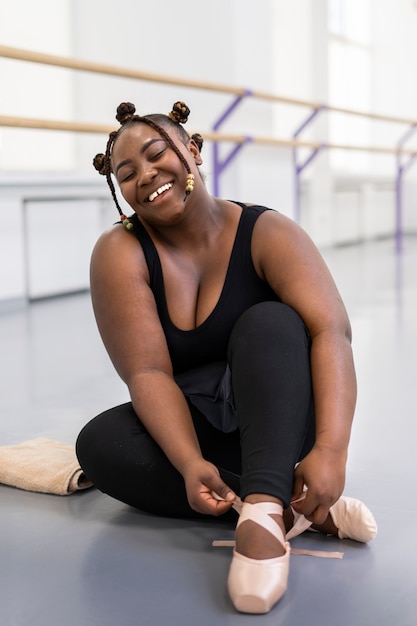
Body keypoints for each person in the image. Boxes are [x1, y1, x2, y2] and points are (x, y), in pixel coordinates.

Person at [76, 100, 377, 614]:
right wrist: (190, 463)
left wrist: (331, 450)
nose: (146, 176)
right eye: (127, 174)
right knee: (101, 445)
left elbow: (332, 332)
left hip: (278, 418)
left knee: (272, 322)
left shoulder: (267, 232)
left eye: (156, 155)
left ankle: (260, 518)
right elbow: (147, 372)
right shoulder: (120, 252)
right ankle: (281, 507)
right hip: (205, 431)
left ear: (193, 150)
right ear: (119, 190)